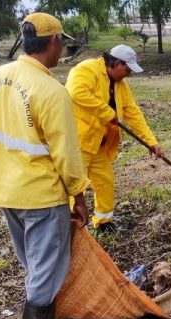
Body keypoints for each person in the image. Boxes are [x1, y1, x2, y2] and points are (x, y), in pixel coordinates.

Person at [0, 12, 90, 319]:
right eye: (62, 43)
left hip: (4, 192)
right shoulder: (51, 90)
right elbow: (66, 155)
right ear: (53, 42)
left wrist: (4, 171)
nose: (62, 50)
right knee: (45, 274)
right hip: (41, 197)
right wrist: (79, 197)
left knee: (34, 263)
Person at [65, 44, 162, 233]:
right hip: (79, 142)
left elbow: (133, 112)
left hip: (100, 144)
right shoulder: (87, 70)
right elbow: (76, 93)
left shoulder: (121, 85)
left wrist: (151, 141)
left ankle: (103, 222)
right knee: (76, 187)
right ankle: (72, 225)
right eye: (127, 69)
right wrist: (107, 112)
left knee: (105, 181)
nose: (129, 74)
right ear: (117, 63)